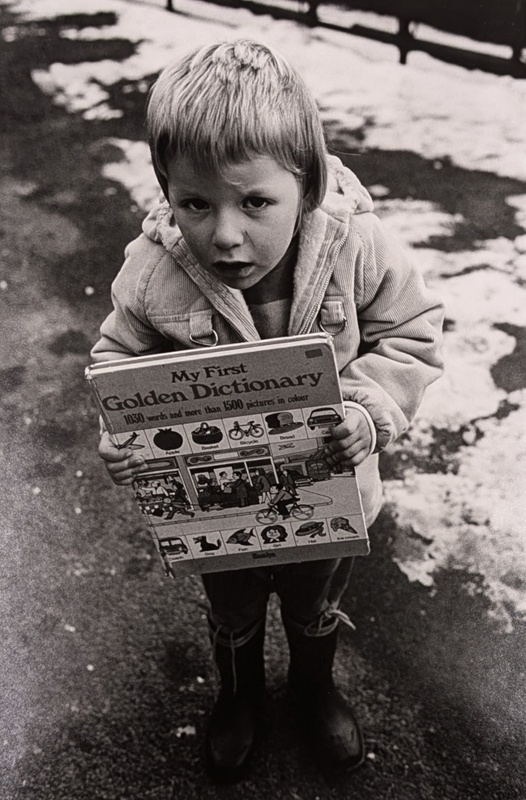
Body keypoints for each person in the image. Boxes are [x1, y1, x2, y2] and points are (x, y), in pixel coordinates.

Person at [92, 39, 443, 783]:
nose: (224, 234)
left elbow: (412, 334)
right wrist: (121, 428)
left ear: (307, 183)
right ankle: (239, 694)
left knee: (314, 603)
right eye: (195, 203)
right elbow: (115, 356)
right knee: (233, 609)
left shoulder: (357, 245)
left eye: (255, 202)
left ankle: (314, 687)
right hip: (220, 514)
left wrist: (371, 410)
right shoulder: (155, 268)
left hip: (330, 495)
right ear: (166, 192)